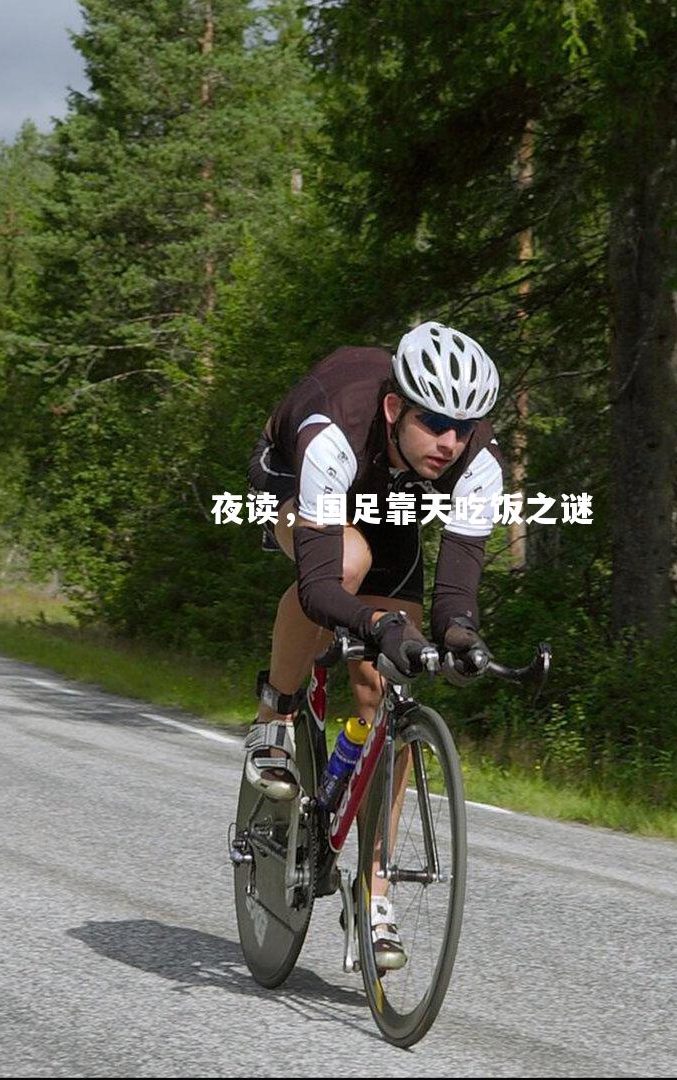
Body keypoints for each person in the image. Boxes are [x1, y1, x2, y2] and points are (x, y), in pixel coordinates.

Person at [243, 320, 502, 970]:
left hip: (391, 499)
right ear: (395, 408)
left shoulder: (474, 460)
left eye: (464, 428)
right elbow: (323, 586)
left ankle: (373, 887)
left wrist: (461, 638)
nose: (450, 441)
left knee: (381, 685)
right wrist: (375, 624)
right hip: (297, 484)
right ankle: (274, 718)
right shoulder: (334, 429)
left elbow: (454, 599)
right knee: (348, 564)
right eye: (435, 421)